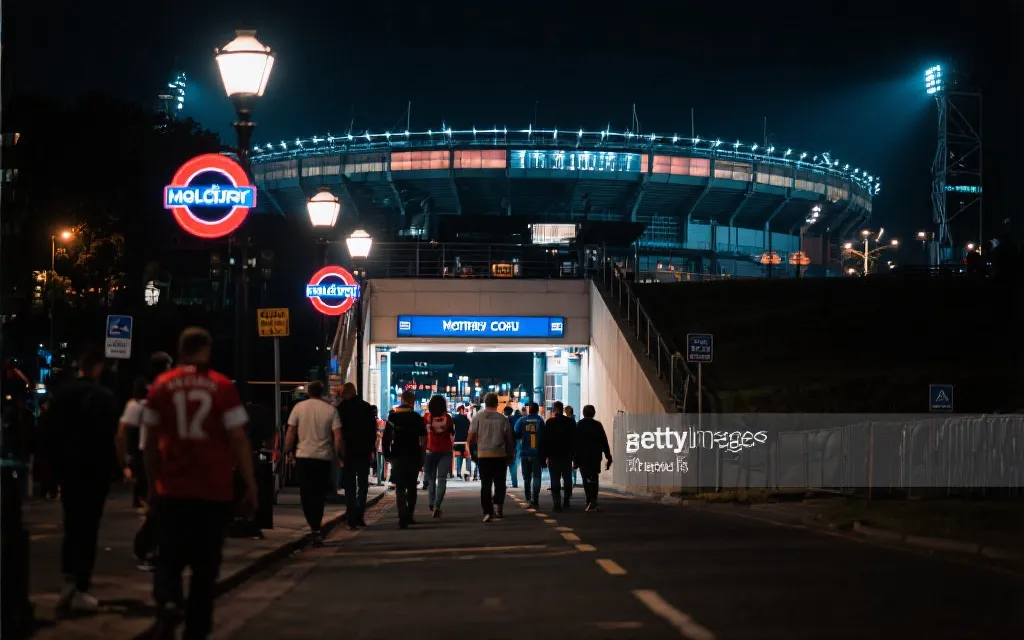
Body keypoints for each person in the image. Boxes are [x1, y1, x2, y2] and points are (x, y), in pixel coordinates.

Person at [143, 327, 257, 639]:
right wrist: (250, 484)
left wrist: (152, 484)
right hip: (212, 490)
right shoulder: (221, 387)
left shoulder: (161, 386)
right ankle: (196, 628)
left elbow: (150, 442)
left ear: (180, 351)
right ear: (207, 350)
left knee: (168, 555)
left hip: (172, 487)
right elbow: (237, 438)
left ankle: (167, 601)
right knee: (205, 567)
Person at [45, 345, 120, 614]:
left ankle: (70, 578)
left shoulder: (63, 394)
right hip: (95, 469)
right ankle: (81, 584)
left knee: (72, 522)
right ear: (99, 367)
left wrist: (52, 471)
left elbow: (49, 433)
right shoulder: (104, 396)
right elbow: (112, 435)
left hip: (69, 468)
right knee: (89, 527)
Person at [116, 351, 174, 572]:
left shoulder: (146, 396)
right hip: (154, 455)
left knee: (157, 505)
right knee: (156, 504)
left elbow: (122, 433)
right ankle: (148, 548)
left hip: (150, 455)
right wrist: (125, 462)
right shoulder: (155, 396)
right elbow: (123, 433)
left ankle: (151, 547)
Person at [283, 380, 341, 546]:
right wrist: (338, 454)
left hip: (304, 456)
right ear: (322, 392)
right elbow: (337, 436)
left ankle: (313, 525)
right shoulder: (331, 410)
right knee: (319, 493)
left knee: (306, 492)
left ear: (308, 392)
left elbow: (291, 432)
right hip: (323, 458)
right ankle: (316, 525)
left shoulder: (299, 408)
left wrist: (287, 450)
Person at [467, 392, 515, 522]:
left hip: (483, 454)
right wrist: (511, 454)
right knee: (500, 483)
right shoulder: (503, 419)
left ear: (485, 403)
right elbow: (509, 439)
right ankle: (498, 505)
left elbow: (471, 435)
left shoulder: (478, 417)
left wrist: (472, 451)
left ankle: (487, 511)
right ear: (497, 404)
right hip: (499, 454)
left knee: (486, 484)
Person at [336, 382, 377, 530]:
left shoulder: (341, 409)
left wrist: (339, 452)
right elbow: (373, 430)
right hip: (363, 450)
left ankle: (351, 516)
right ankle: (359, 514)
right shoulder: (366, 407)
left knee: (350, 486)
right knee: (363, 484)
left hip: (348, 451)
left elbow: (338, 432)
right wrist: (372, 447)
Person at [383, 390, 426, 529]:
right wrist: (422, 456)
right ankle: (409, 514)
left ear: (402, 400)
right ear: (412, 401)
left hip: (397, 454)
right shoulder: (416, 417)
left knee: (400, 486)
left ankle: (402, 515)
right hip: (413, 454)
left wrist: (386, 453)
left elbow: (386, 437)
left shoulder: (393, 417)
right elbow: (423, 440)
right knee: (412, 486)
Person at [573, 405, 613, 512]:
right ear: (594, 413)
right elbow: (604, 442)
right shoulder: (598, 425)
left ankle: (589, 500)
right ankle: (593, 499)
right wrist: (608, 457)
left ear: (583, 413)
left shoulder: (579, 425)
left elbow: (576, 444)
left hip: (583, 458)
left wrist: (575, 460)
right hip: (595, 457)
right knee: (594, 478)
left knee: (586, 479)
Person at [423, 395, 455, 518]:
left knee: (432, 479)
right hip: (445, 450)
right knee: (442, 479)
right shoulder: (448, 418)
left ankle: (431, 503)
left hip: (430, 450)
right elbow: (452, 433)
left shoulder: (426, 417)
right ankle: (437, 505)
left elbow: (423, 434)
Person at [539, 401, 575, 512]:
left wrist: (543, 457)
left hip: (553, 455)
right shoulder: (570, 422)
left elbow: (545, 441)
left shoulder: (549, 423)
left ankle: (557, 502)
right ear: (562, 409)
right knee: (567, 478)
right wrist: (575, 457)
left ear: (554, 409)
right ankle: (567, 500)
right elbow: (575, 440)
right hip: (567, 455)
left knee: (555, 479)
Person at [514, 403, 544, 509]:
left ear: (529, 410)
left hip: (525, 452)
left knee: (527, 478)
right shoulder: (540, 421)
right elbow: (544, 437)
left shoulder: (522, 420)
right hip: (537, 453)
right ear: (537, 410)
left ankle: (528, 499)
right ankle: (535, 499)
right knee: (536, 476)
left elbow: (515, 433)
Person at [452, 405, 471, 480]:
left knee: (459, 457)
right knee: (468, 457)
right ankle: (468, 473)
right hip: (466, 440)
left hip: (458, 440)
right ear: (462, 410)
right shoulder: (468, 419)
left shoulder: (455, 418)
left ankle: (459, 474)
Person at [503, 406, 520, 489]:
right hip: (513, 445)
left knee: (503, 466)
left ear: (504, 412)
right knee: (513, 465)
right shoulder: (514, 420)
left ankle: (503, 483)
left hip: (503, 446)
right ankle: (515, 483)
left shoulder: (502, 420)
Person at [565, 405, 578, 490]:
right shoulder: (573, 420)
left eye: (566, 410)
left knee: (571, 465)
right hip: (571, 446)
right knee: (572, 464)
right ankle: (573, 482)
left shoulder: (570, 420)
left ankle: (572, 482)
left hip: (569, 446)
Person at [373, 406, 387, 486]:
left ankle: (380, 480)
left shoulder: (377, 421)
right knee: (380, 463)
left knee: (380, 463)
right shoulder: (380, 421)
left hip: (377, 445)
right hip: (379, 445)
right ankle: (380, 480)